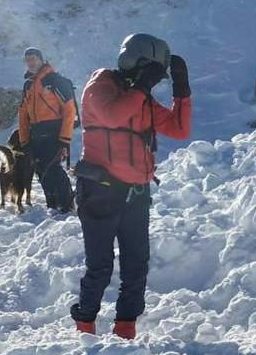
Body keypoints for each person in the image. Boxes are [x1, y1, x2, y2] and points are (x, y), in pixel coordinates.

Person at [69, 33, 191, 339]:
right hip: (100, 191)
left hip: (136, 193)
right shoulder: (100, 85)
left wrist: (182, 89)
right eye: (153, 71)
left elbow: (179, 129)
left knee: (137, 265)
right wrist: (140, 88)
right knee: (100, 266)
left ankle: (125, 330)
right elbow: (112, 116)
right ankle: (85, 328)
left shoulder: (141, 98)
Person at [17, 46, 77, 213]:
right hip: (36, 133)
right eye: (27, 60)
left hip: (54, 132)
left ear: (41, 60)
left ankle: (66, 205)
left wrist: (64, 139)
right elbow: (23, 115)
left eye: (33, 59)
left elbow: (70, 110)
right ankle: (52, 204)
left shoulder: (54, 80)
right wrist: (24, 141)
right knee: (41, 169)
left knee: (53, 168)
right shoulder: (28, 85)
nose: (30, 63)